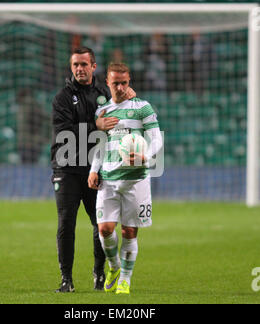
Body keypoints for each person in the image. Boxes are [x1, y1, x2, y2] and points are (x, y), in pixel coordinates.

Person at [51, 47, 134, 293]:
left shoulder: (104, 93)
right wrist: (95, 125)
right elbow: (63, 133)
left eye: (84, 64)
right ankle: (66, 279)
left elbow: (124, 107)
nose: (79, 69)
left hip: (96, 168)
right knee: (66, 223)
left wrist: (131, 96)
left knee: (101, 224)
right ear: (71, 67)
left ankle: (99, 275)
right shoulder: (62, 98)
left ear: (94, 67)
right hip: (66, 169)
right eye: (75, 64)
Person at [88, 63, 163, 294]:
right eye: (115, 83)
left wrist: (145, 155)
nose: (120, 87)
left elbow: (157, 140)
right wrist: (93, 169)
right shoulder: (102, 112)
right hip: (108, 179)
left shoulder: (142, 108)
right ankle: (114, 266)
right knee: (105, 229)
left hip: (136, 180)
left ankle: (125, 280)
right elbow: (101, 145)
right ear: (108, 84)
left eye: (124, 83)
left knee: (128, 232)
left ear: (129, 82)